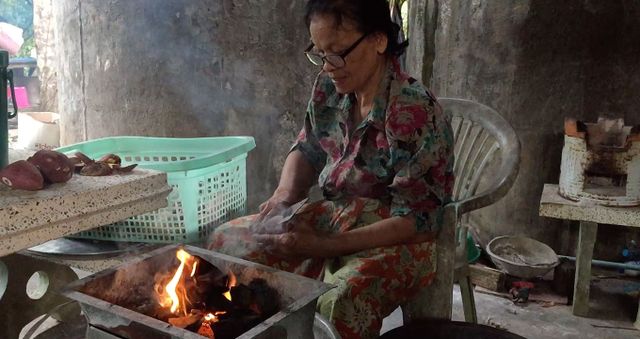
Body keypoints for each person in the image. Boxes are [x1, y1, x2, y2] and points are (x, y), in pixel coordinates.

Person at [208, 0, 454, 338]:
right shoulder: (330, 88)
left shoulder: (411, 111)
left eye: (337, 53)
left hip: (397, 238)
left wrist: (323, 246)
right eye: (320, 54)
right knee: (225, 245)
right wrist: (283, 197)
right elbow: (307, 149)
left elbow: (418, 223)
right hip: (335, 217)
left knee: (338, 301)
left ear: (378, 41)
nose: (327, 67)